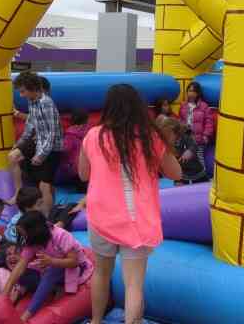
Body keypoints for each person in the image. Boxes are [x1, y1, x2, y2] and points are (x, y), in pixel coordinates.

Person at [79, 84, 182, 324]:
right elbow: (175, 174)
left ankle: (95, 321)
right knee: (134, 284)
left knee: (101, 274)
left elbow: (83, 175)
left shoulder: (94, 136)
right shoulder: (150, 138)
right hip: (136, 221)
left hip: (101, 217)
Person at [4, 211, 94, 323]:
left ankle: (26, 315)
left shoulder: (61, 235)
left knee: (52, 272)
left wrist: (52, 261)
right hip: (50, 268)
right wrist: (4, 295)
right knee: (24, 272)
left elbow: (74, 262)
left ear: (34, 232)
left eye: (24, 234)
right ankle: (53, 287)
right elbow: (20, 267)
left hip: (74, 270)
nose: (23, 237)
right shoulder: (32, 241)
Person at [8, 72, 63, 214]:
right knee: (13, 156)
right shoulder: (32, 101)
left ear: (32, 88)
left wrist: (41, 155)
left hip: (51, 147)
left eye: (23, 91)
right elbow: (31, 124)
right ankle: (18, 193)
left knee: (44, 185)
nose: (21, 95)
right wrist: (20, 143)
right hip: (38, 141)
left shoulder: (46, 103)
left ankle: (46, 215)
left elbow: (51, 133)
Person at [158, 117, 208, 185]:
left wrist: (190, 151)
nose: (166, 137)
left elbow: (194, 145)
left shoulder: (185, 136)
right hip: (182, 174)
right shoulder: (166, 144)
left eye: (168, 135)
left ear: (174, 132)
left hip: (197, 173)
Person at [179, 82, 214, 167]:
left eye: (194, 91)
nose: (191, 93)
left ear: (198, 93)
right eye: (190, 91)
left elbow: (209, 123)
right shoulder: (183, 105)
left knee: (199, 158)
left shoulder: (204, 106)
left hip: (198, 138)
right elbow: (180, 120)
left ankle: (203, 177)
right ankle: (186, 178)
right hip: (186, 138)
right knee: (184, 158)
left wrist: (205, 136)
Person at [62, 108, 91, 182]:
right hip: (89, 168)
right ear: (86, 119)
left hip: (74, 170)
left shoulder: (70, 134)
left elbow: (65, 150)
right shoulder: (90, 131)